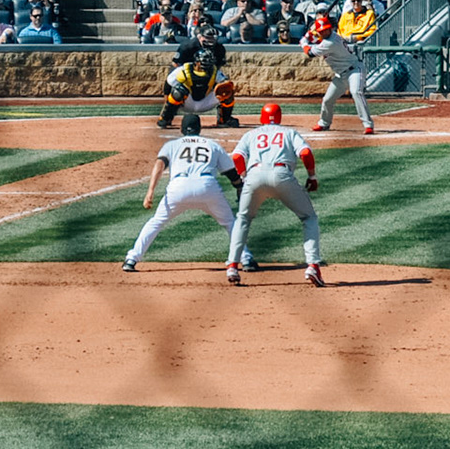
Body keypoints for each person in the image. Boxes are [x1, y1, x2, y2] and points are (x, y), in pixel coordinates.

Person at [124, 113, 240, 272]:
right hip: (207, 187)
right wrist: (239, 187)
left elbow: (159, 165)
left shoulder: (171, 145)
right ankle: (246, 259)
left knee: (156, 222)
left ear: (181, 129)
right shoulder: (213, 145)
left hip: (178, 188)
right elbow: (231, 173)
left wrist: (150, 192)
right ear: (199, 129)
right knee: (230, 223)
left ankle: (131, 259)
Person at [226, 102, 323, 286]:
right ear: (279, 117)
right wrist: (312, 176)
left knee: (243, 219)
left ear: (261, 118)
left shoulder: (251, 134)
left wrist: (245, 177)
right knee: (308, 217)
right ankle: (312, 266)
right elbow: (306, 152)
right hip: (282, 175)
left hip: (255, 175)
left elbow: (237, 157)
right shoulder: (289, 133)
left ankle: (232, 266)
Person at [301, 0, 375, 135]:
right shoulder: (326, 39)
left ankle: (368, 125)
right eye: (322, 31)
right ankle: (324, 123)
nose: (325, 32)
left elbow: (310, 53)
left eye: (327, 29)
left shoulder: (332, 41)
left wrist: (304, 40)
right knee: (327, 100)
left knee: (356, 92)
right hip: (341, 75)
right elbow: (318, 40)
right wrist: (312, 34)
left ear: (331, 28)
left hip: (355, 70)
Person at [160, 44, 239, 128]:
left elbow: (225, 82)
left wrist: (226, 86)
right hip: (187, 102)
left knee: (226, 92)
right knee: (179, 91)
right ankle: (166, 118)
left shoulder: (215, 71)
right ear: (196, 62)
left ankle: (224, 119)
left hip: (206, 102)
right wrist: (166, 104)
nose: (206, 64)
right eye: (204, 61)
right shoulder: (183, 70)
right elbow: (168, 84)